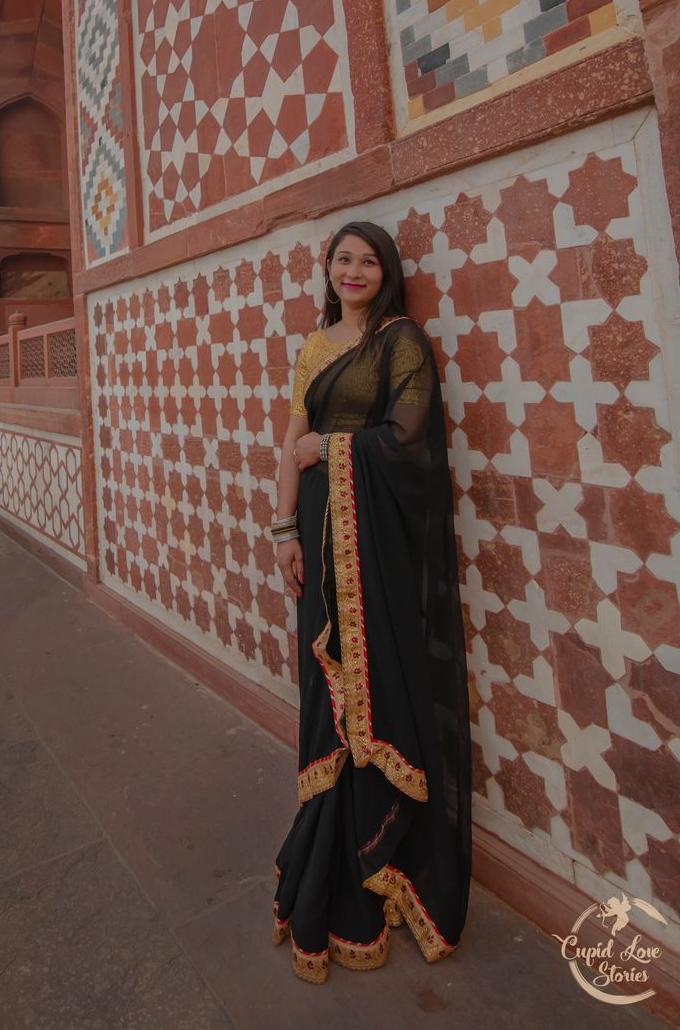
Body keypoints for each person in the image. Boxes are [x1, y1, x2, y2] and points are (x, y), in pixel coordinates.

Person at [270, 222, 471, 982]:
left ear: (387, 272)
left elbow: (410, 437)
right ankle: (327, 859)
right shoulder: (316, 346)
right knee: (327, 698)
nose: (354, 270)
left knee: (375, 689)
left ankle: (386, 864)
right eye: (342, 259)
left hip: (375, 548)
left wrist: (333, 450)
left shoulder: (401, 341)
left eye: (368, 260)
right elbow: (290, 438)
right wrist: (283, 527)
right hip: (317, 538)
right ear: (327, 269)